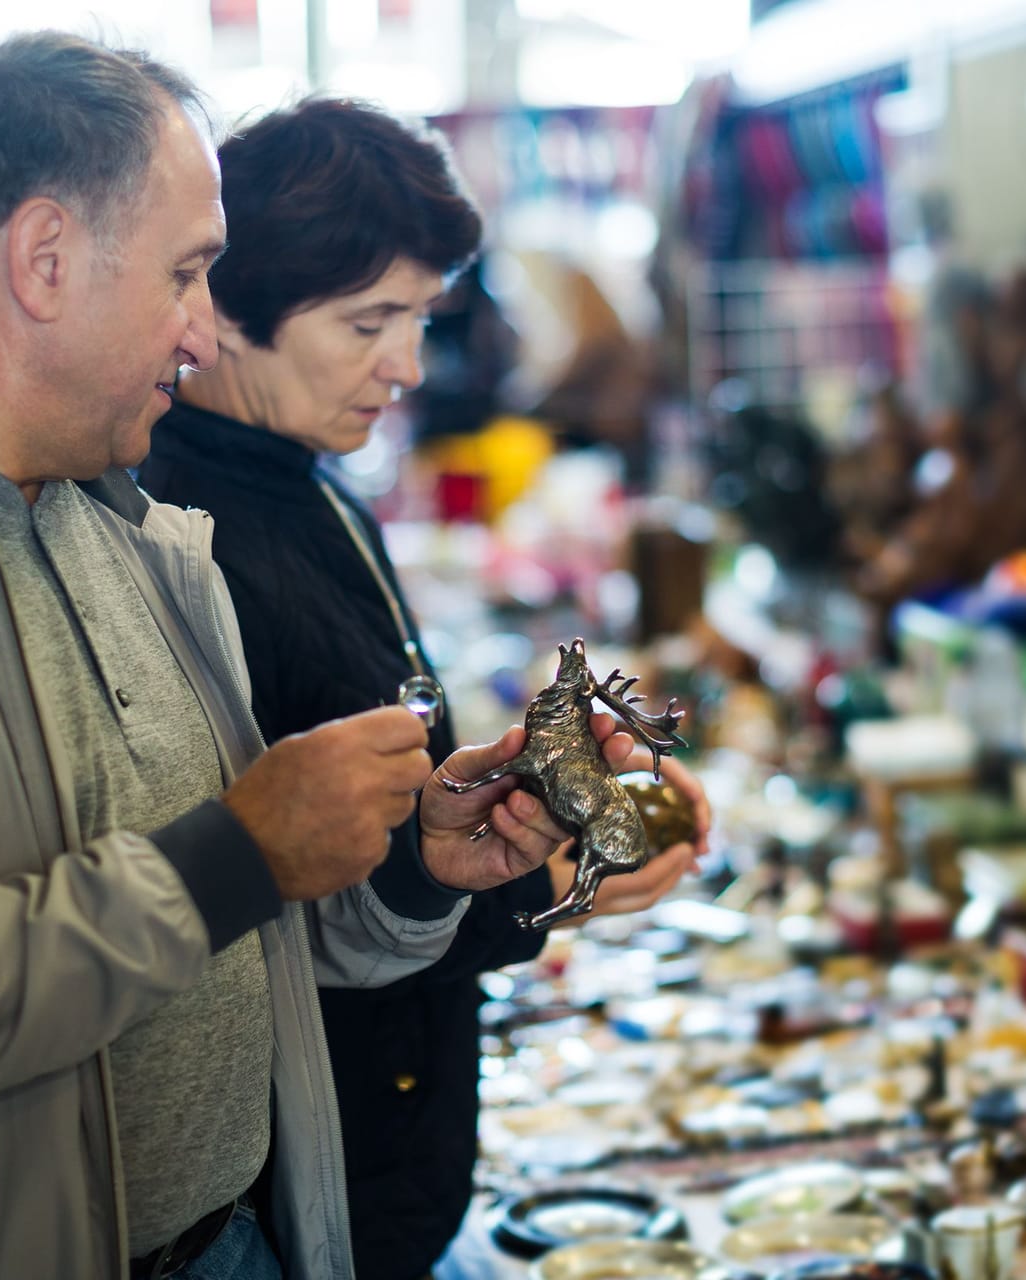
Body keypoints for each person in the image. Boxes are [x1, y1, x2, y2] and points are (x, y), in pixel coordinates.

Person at [0, 36, 609, 1280]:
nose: (204, 330)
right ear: (46, 259)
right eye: (188, 272)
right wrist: (239, 848)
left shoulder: (107, 513)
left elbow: (249, 930)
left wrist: (420, 867)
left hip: (230, 1240)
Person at [137, 98, 710, 1280]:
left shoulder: (305, 480)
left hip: (389, 1151)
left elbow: (396, 799)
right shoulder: (186, 538)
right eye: (368, 322)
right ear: (225, 311)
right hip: (306, 1183)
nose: (406, 365)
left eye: (416, 318)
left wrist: (546, 785)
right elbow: (275, 911)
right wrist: (549, 879)